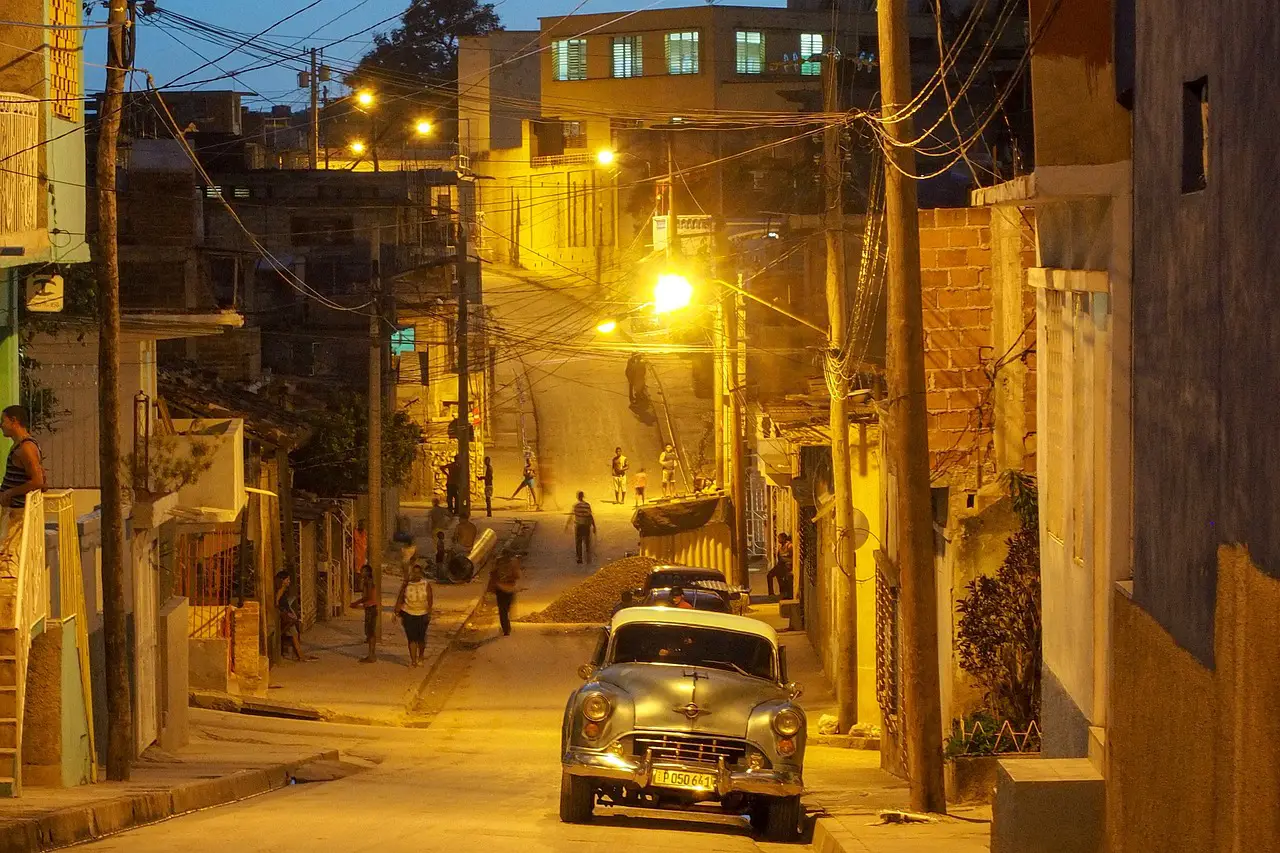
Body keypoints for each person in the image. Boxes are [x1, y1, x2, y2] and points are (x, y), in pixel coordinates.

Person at [0, 406, 44, 577]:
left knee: (9, 561)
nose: (1, 425)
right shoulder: (20, 447)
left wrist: (10, 493)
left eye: (3, 421)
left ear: (14, 421)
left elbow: (38, 481)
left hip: (18, 515)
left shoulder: (26, 448)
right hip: (12, 513)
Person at [394, 564, 433, 667]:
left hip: (422, 614)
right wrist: (396, 611)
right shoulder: (407, 585)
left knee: (421, 639)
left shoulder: (426, 584)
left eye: (418, 572)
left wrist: (429, 612)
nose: (416, 574)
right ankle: (413, 660)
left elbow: (430, 599)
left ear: (421, 573)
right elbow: (401, 597)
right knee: (411, 638)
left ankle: (421, 655)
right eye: (414, 572)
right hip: (408, 614)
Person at [274, 571, 307, 662]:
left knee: (294, 634)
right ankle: (300, 656)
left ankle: (299, 655)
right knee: (294, 634)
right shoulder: (280, 590)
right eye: (287, 579)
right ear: (282, 580)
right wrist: (286, 613)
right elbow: (277, 604)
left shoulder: (283, 590)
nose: (289, 581)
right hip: (285, 616)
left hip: (287, 615)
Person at [487, 551, 521, 637]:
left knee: (503, 611)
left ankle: (506, 629)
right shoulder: (513, 562)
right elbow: (517, 575)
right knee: (507, 608)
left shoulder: (498, 562)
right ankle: (507, 626)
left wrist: (491, 588)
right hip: (510, 589)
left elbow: (492, 574)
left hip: (500, 589)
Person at [350, 564, 379, 663]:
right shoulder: (367, 582)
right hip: (370, 608)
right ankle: (371, 654)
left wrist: (356, 603)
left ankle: (371, 655)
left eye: (362, 571)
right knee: (370, 632)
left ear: (367, 572)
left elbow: (368, 597)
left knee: (370, 633)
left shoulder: (368, 582)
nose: (361, 573)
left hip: (371, 609)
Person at [567, 490, 596, 564]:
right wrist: (594, 526)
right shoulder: (587, 505)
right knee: (587, 542)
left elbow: (571, 516)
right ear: (583, 496)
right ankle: (588, 557)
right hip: (586, 525)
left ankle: (579, 558)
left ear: (577, 497)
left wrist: (567, 525)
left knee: (578, 543)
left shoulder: (576, 506)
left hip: (579, 526)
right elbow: (590, 516)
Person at [767, 532, 794, 599]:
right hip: (780, 565)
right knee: (770, 575)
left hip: (786, 565)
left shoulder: (789, 546)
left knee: (782, 578)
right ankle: (771, 593)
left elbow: (791, 557)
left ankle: (784, 593)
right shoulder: (779, 546)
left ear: (784, 538)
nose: (779, 540)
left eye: (780, 538)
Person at [351, 520, 367, 592]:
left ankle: (360, 586)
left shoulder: (364, 533)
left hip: (362, 554)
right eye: (361, 525)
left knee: (361, 571)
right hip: (357, 554)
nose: (362, 526)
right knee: (357, 572)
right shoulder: (355, 532)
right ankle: (356, 587)